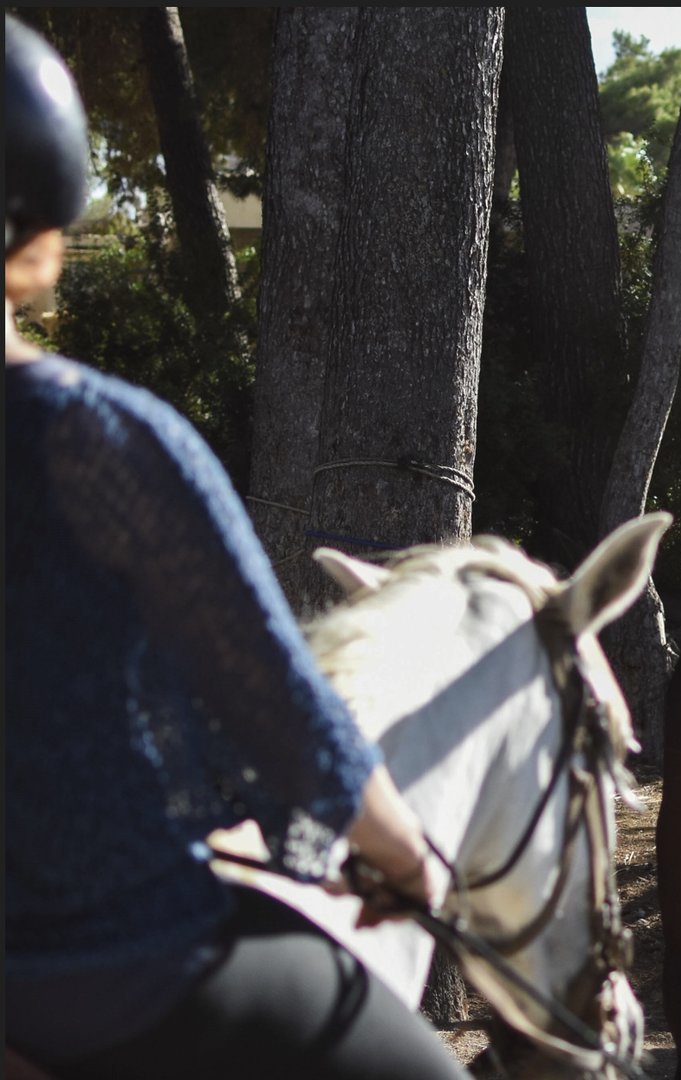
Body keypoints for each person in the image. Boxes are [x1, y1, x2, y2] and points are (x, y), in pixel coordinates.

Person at [4, 18, 465, 1078]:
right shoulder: (101, 443)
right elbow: (283, 709)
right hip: (106, 962)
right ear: (37, 214)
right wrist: (402, 857)